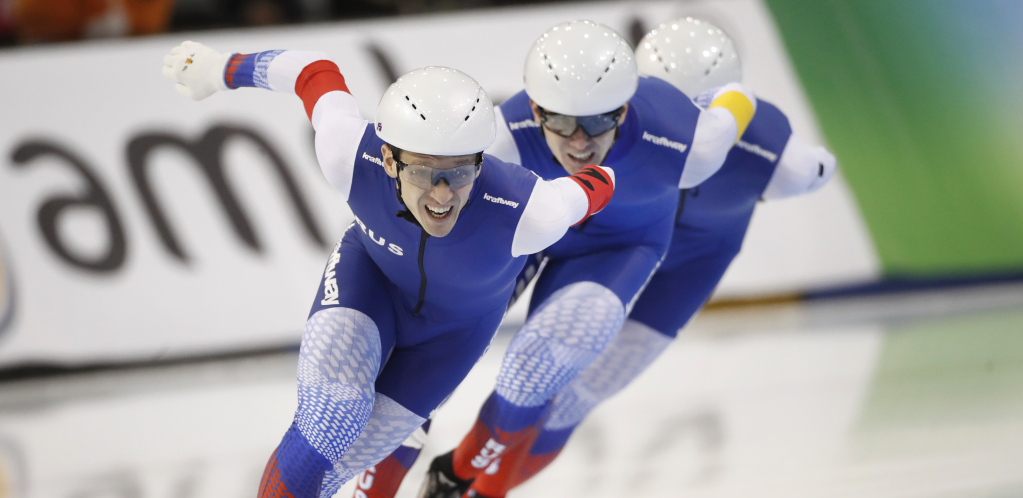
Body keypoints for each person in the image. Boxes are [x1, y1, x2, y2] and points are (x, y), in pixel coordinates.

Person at [161, 40, 616, 498]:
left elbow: (599, 183)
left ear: (481, 163)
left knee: (334, 469)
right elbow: (312, 72)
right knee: (332, 414)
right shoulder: (346, 152)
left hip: (449, 340)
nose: (441, 197)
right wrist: (222, 69)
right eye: (421, 172)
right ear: (387, 159)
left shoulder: (528, 210)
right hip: (369, 282)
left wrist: (610, 167)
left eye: (459, 173)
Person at [351, 20, 758, 498]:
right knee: (429, 358)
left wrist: (733, 95)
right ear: (537, 110)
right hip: (530, 233)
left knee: (538, 369)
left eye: (599, 122)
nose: (579, 142)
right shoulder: (504, 132)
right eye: (560, 122)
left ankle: (458, 473)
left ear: (625, 110)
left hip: (616, 251)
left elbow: (740, 98)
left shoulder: (690, 144)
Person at [455, 18, 838, 498]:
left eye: (690, 115)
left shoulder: (771, 153)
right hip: (604, 248)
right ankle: (472, 472)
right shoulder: (606, 124)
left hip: (678, 270)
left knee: (575, 397)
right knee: (536, 371)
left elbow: (815, 169)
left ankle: (485, 490)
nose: (673, 122)